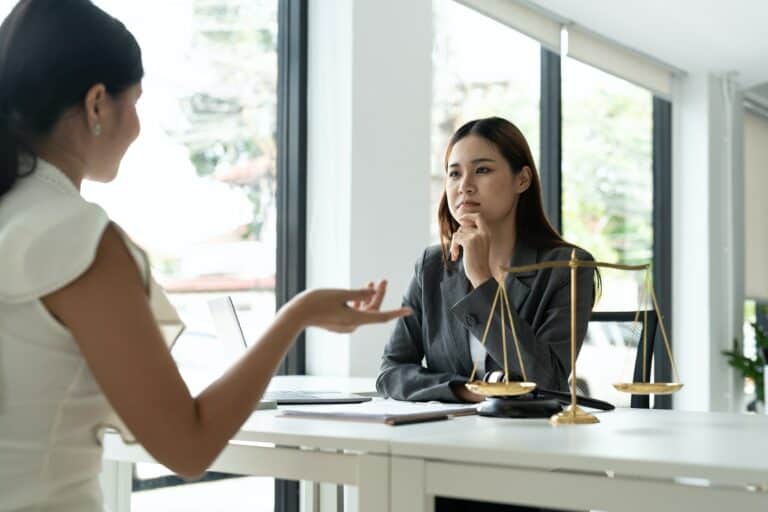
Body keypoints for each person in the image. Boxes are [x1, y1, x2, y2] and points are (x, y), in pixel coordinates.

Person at [0, 1, 409, 510]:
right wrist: (295, 316)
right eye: (138, 102)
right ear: (98, 104)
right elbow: (188, 447)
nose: (138, 126)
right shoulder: (77, 240)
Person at [376, 116, 597, 511]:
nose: (465, 186)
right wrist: (463, 390)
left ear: (522, 180)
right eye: (454, 173)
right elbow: (392, 371)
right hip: (446, 456)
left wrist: (481, 280)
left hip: (532, 464)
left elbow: (545, 380)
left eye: (482, 170)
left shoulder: (567, 267)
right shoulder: (433, 265)